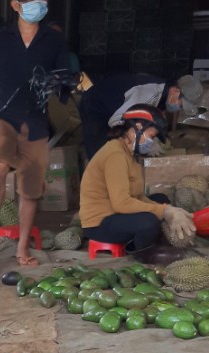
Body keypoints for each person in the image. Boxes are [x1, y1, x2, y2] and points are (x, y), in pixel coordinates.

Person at [0, 0, 69, 267]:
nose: (42, 2)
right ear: (17, 6)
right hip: (3, 115)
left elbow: (63, 82)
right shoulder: (0, 41)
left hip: (36, 120)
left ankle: (22, 248)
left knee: (30, 187)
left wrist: (63, 84)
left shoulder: (54, 41)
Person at [79, 104, 196, 261]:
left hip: (115, 214)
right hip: (99, 223)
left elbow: (138, 197)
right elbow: (121, 203)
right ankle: (145, 254)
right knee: (149, 221)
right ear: (138, 127)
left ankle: (158, 241)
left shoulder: (129, 154)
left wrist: (167, 208)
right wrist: (164, 212)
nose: (151, 142)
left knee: (161, 199)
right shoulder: (115, 154)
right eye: (151, 136)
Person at [79, 73, 202, 160]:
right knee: (100, 152)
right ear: (175, 92)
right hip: (96, 105)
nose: (179, 109)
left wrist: (153, 138)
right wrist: (146, 141)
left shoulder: (163, 99)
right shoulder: (149, 93)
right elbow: (119, 122)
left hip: (113, 110)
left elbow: (146, 123)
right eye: (181, 105)